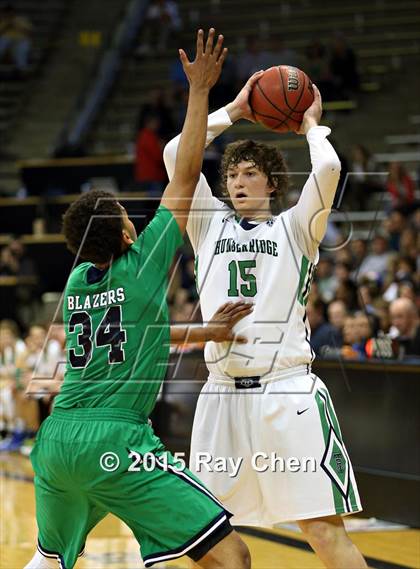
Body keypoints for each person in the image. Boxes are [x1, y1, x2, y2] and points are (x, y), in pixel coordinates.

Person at [24, 29, 251, 569]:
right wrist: (201, 92)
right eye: (129, 217)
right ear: (126, 235)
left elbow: (139, 334)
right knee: (231, 555)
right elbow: (187, 172)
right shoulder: (144, 262)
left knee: (50, 560)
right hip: (115, 441)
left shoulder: (79, 281)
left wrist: (209, 332)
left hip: (56, 442)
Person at [163, 74, 368, 568]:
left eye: (249, 173)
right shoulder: (207, 222)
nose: (236, 182)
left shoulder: (298, 227)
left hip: (285, 392)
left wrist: (312, 126)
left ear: (272, 182)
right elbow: (176, 155)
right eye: (232, 174)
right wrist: (232, 111)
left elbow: (330, 168)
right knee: (205, 541)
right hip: (221, 395)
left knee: (322, 532)